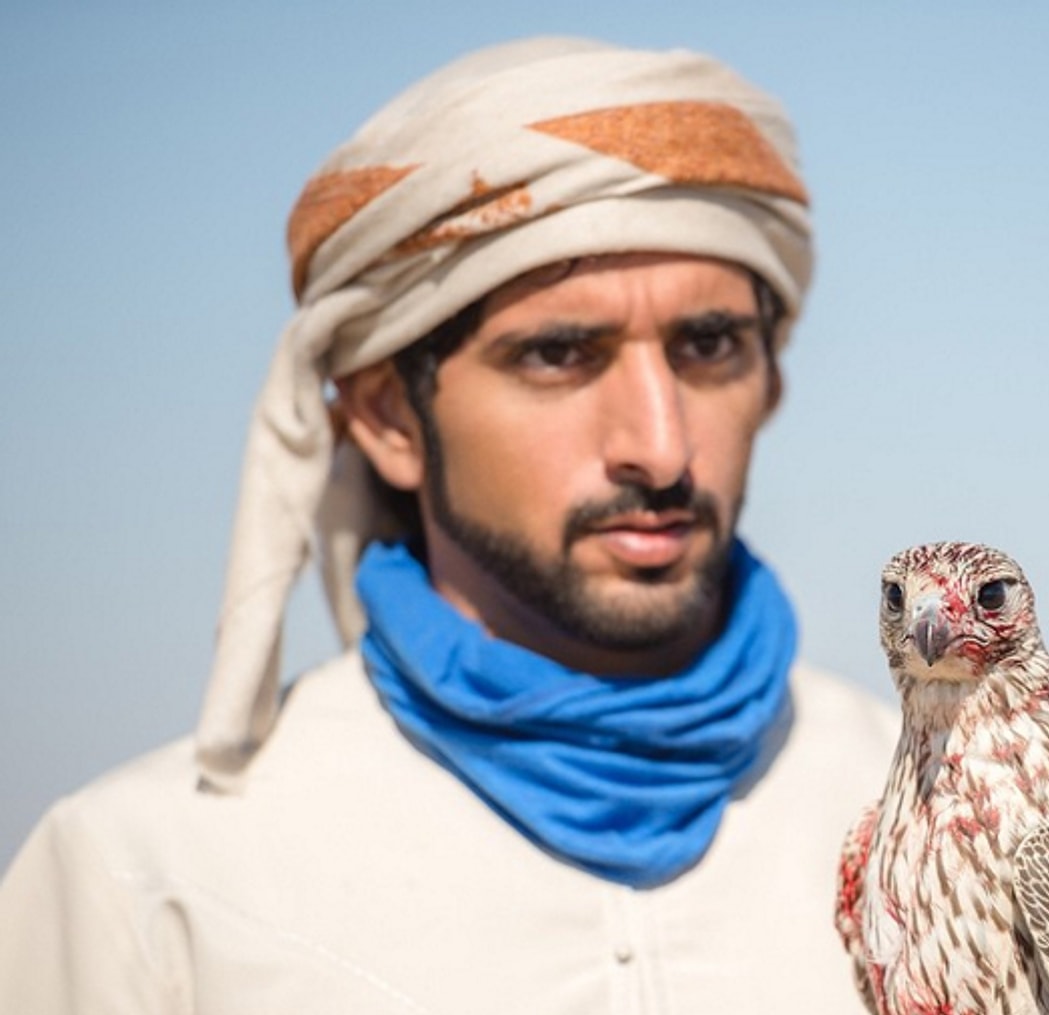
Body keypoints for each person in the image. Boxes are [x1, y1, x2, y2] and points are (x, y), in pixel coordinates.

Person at [0, 36, 897, 1013]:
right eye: (560, 354)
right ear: (387, 416)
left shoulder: (946, 821)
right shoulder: (157, 885)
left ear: (771, 380)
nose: (661, 446)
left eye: (710, 345)